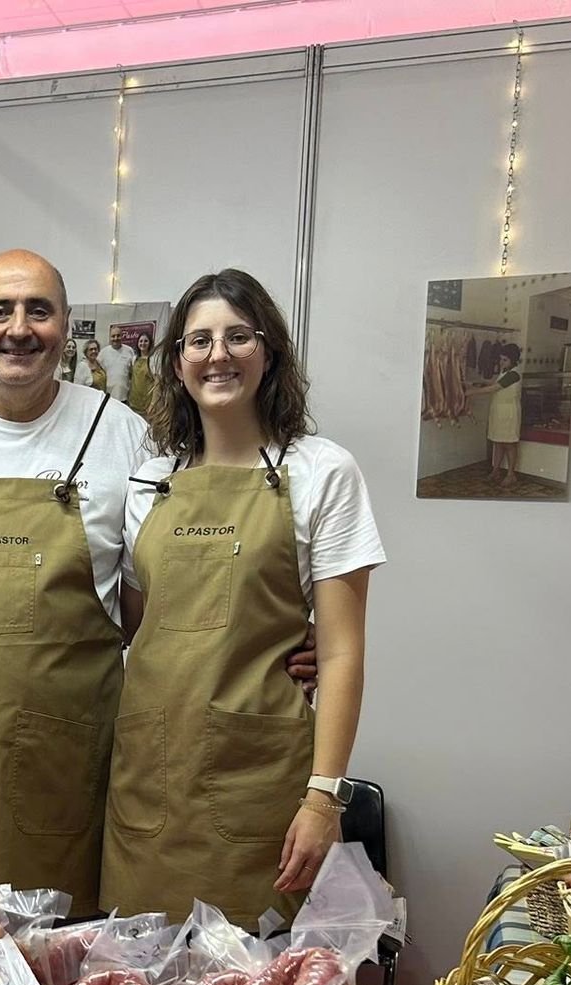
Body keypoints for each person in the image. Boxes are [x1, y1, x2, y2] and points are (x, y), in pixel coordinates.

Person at [0, 249, 316, 912]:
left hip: (72, 770)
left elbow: (169, 589)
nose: (19, 328)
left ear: (66, 326)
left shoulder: (123, 437)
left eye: (39, 311)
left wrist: (293, 637)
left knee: (66, 974)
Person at [101, 269, 383, 925]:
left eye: (238, 336)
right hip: (148, 785)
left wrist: (322, 801)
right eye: (198, 341)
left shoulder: (320, 471)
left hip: (261, 794)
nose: (217, 355)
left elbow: (342, 655)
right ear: (176, 363)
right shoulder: (147, 483)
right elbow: (141, 628)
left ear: (270, 351)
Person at [467, 342, 523, 485]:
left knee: (509, 444)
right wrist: (475, 381)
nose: (501, 362)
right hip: (498, 411)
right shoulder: (504, 372)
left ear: (513, 360)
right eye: (501, 359)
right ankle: (495, 471)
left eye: (505, 359)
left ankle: (511, 475)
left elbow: (494, 388)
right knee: (497, 442)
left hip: (509, 412)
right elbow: (493, 382)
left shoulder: (514, 374)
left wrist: (470, 393)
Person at [97, 325, 135, 402]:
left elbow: (132, 372)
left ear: (122, 336)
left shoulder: (129, 351)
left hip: (125, 397)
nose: (115, 338)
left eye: (118, 335)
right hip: (108, 397)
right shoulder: (103, 353)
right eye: (113, 336)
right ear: (110, 337)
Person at [127, 331, 156, 415]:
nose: (143, 343)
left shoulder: (153, 360)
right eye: (141, 341)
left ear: (150, 343)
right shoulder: (134, 359)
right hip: (133, 402)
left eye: (146, 341)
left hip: (147, 403)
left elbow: (157, 383)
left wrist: (153, 404)